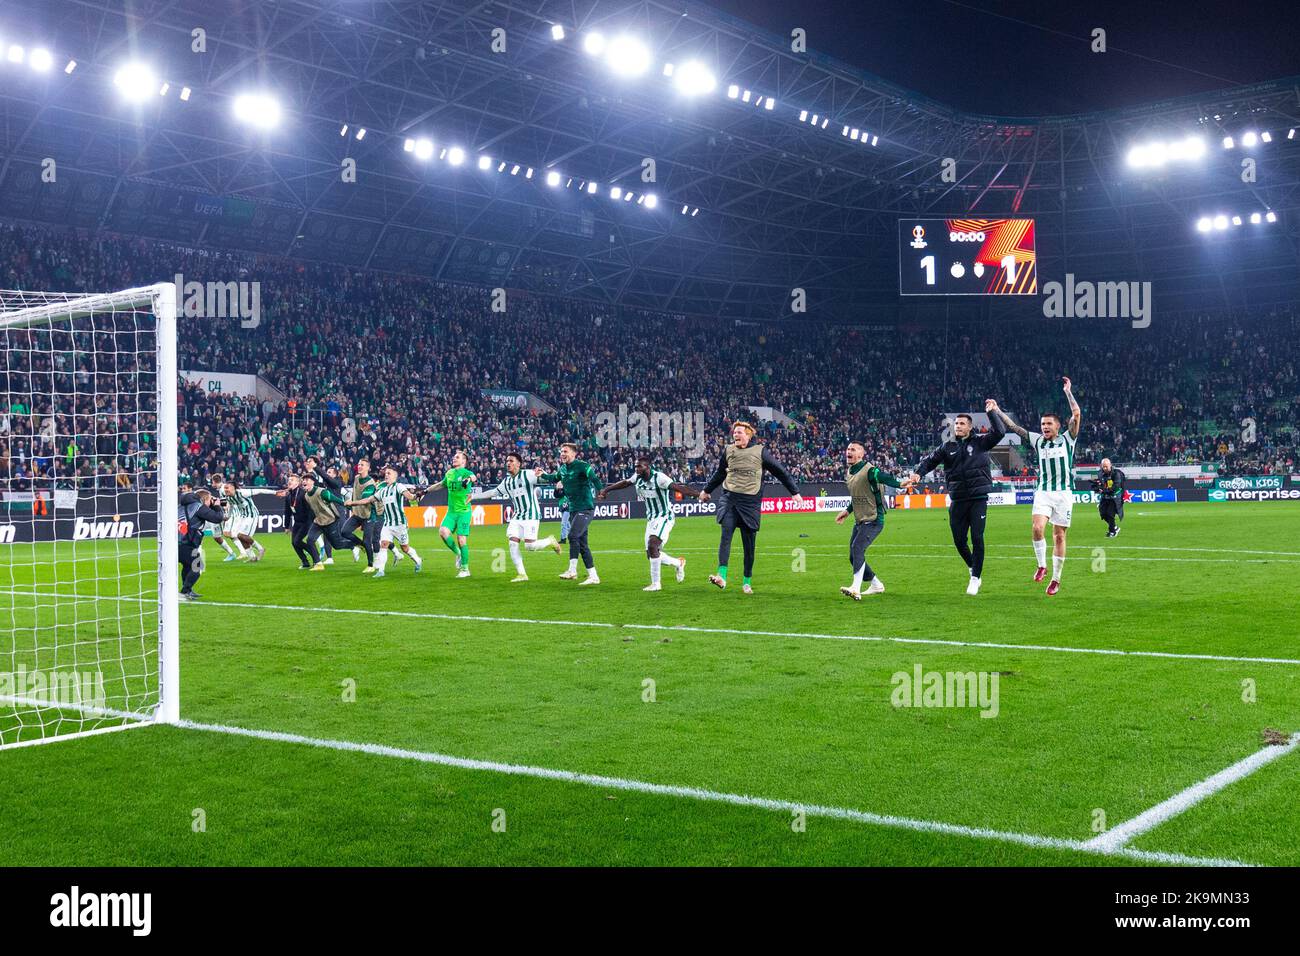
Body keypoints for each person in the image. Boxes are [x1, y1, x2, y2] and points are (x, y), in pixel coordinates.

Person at [991, 376, 1082, 595]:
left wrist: (1068, 392)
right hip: (1043, 492)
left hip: (1063, 494)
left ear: (1058, 426)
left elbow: (1076, 414)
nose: (1045, 427)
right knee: (1037, 527)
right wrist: (996, 410)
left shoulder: (1068, 438)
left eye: (1049, 424)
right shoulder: (1037, 440)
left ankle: (1056, 579)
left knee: (1059, 536)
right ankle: (1042, 565)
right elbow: (1013, 426)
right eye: (1042, 424)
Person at [907, 400, 1006, 595]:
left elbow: (1000, 432)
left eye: (962, 424)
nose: (958, 426)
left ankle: (975, 578)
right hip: (958, 499)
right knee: (959, 541)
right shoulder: (947, 446)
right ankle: (972, 567)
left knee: (977, 537)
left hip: (978, 499)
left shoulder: (981, 442)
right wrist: (918, 473)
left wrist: (992, 412)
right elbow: (930, 461)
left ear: (970, 427)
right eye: (956, 424)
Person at [701, 421, 800, 594]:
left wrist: (795, 492)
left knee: (749, 546)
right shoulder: (729, 451)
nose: (735, 435)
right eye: (734, 433)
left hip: (750, 504)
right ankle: (721, 575)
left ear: (749, 434)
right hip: (729, 499)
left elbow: (780, 471)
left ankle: (747, 581)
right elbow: (719, 473)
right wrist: (706, 491)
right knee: (726, 536)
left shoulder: (760, 452)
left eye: (739, 432)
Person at [598, 456, 704, 591]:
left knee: (653, 545)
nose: (636, 469)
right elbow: (625, 483)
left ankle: (656, 584)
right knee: (651, 554)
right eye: (636, 466)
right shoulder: (637, 477)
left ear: (647, 467)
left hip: (665, 516)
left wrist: (698, 494)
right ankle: (678, 563)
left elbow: (678, 488)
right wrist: (606, 490)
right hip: (651, 518)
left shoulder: (660, 478)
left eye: (639, 466)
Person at [468, 452, 560, 582]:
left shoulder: (528, 474)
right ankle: (522, 574)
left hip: (531, 514)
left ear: (518, 463)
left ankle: (550, 540)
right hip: (517, 516)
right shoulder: (507, 481)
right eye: (507, 461)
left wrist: (545, 474)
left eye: (511, 460)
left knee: (530, 546)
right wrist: (474, 496)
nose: (508, 463)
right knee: (512, 543)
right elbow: (493, 492)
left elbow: (547, 479)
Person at [837, 443, 913, 599]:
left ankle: (855, 588)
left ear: (861, 454)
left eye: (853, 449)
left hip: (873, 519)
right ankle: (876, 584)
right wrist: (847, 511)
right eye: (848, 449)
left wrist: (899, 483)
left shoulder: (870, 470)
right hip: (860, 520)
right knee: (853, 555)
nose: (849, 451)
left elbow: (883, 476)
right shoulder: (850, 472)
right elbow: (858, 497)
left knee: (857, 548)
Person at [539, 443, 601, 585]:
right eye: (561, 452)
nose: (562, 454)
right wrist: (542, 474)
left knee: (572, 536)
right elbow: (554, 478)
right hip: (573, 509)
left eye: (565, 451)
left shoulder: (583, 466)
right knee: (582, 544)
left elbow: (595, 479)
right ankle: (593, 576)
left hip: (585, 508)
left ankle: (572, 571)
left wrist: (601, 491)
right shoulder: (563, 469)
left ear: (573, 454)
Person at [356, 465, 426, 578]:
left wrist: (417, 496)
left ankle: (418, 560)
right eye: (386, 473)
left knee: (405, 548)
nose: (386, 475)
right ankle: (381, 571)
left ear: (395, 475)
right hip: (387, 524)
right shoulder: (382, 491)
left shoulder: (399, 486)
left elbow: (410, 497)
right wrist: (353, 503)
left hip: (400, 524)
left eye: (389, 473)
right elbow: (369, 500)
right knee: (383, 544)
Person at [428, 450, 477, 578]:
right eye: (454, 457)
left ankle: (465, 569)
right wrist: (426, 491)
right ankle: (459, 554)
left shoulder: (467, 473)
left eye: (457, 457)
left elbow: (473, 477)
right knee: (443, 532)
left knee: (461, 539)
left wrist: (469, 479)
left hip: (464, 512)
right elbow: (440, 485)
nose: (454, 458)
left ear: (464, 461)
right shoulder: (449, 473)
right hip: (451, 512)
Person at [178, 488, 224, 601]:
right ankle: (183, 593)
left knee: (188, 566)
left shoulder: (183, 506)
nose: (211, 502)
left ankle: (187, 590)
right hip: (185, 542)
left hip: (180, 542)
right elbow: (217, 518)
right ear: (204, 499)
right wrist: (217, 506)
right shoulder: (198, 506)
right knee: (197, 567)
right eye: (210, 500)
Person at [222, 480, 265, 562]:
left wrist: (275, 492)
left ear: (233, 487)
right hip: (243, 516)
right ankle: (252, 557)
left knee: (241, 535)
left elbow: (260, 490)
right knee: (239, 536)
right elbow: (230, 505)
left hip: (252, 515)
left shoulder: (242, 493)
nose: (225, 489)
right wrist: (228, 515)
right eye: (225, 488)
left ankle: (260, 548)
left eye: (227, 488)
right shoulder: (227, 495)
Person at [1092, 458, 1126, 537]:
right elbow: (1100, 483)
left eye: (1106, 466)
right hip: (1105, 496)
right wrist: (1097, 486)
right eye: (1103, 467)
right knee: (1103, 514)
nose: (1105, 468)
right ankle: (1114, 527)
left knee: (1110, 514)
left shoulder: (1116, 474)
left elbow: (1115, 487)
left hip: (1115, 497)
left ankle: (1112, 532)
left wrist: (1103, 490)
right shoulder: (1100, 473)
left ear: (1110, 465)